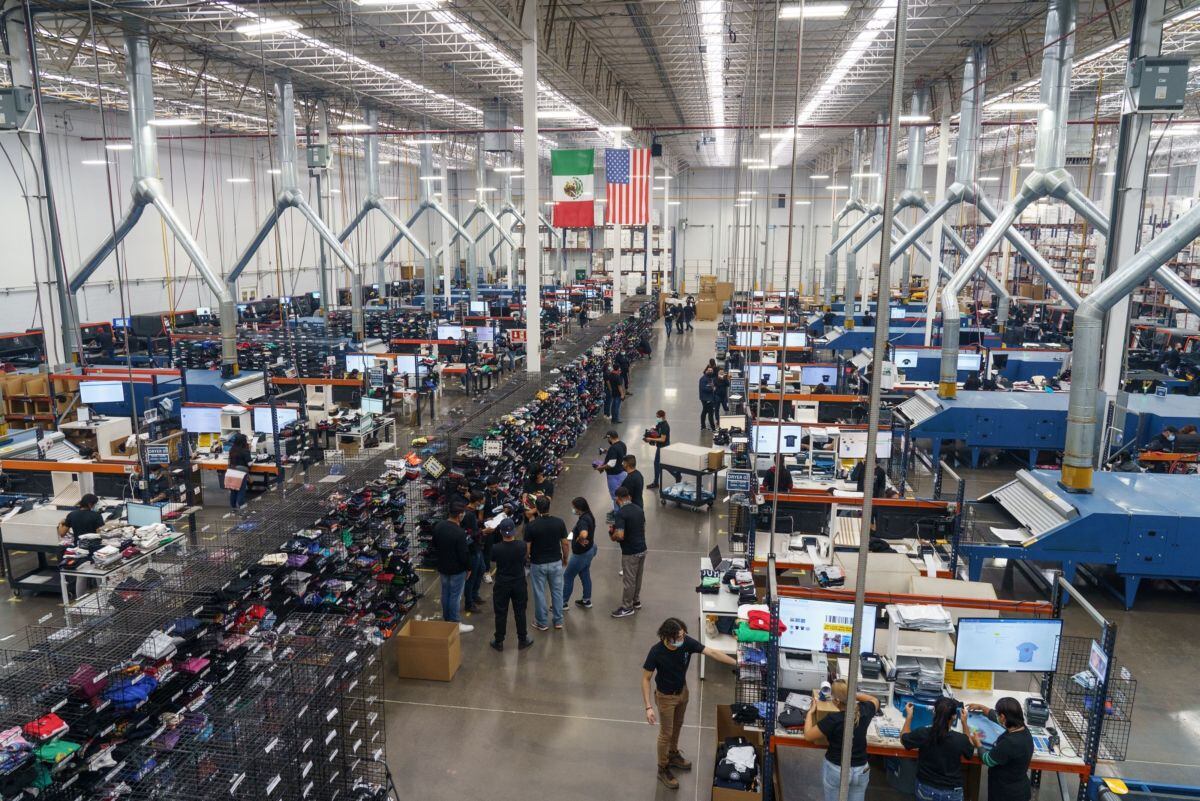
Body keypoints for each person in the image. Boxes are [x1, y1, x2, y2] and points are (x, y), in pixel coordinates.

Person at [641, 617, 737, 789]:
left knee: (677, 725)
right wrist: (648, 707)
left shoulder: (686, 642)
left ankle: (673, 754)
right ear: (667, 637)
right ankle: (662, 768)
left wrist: (737, 663)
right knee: (666, 733)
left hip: (682, 692)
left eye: (683, 635)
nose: (682, 639)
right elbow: (646, 679)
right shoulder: (656, 652)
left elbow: (712, 652)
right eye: (678, 637)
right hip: (665, 698)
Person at [803, 679, 881, 801]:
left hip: (836, 769)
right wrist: (851, 695)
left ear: (837, 701)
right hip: (861, 769)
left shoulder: (833, 719)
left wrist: (810, 713)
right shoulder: (865, 711)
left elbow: (808, 736)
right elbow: (874, 700)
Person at [901, 697, 975, 801]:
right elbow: (970, 750)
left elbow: (904, 739)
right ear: (954, 716)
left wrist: (909, 717)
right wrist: (964, 723)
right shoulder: (960, 739)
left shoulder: (924, 733)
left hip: (926, 789)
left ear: (934, 713)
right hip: (952, 791)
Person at [967, 698, 1035, 801]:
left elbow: (987, 759)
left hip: (1006, 794)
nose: (997, 716)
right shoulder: (1021, 728)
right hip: (1020, 789)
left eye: (999, 714)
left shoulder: (1009, 743)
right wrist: (981, 707)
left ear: (1003, 717)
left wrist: (977, 742)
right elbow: (994, 717)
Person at [524, 495, 569, 631]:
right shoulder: (559, 522)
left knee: (539, 593)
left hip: (538, 564)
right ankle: (558, 621)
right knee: (557, 592)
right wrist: (565, 558)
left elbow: (527, 547)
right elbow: (565, 543)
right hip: (555, 562)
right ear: (549, 507)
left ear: (536, 508)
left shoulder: (531, 526)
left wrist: (527, 559)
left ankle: (542, 622)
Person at [489, 518, 533, 651]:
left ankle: (499, 641)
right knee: (520, 611)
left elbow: (492, 559)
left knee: (500, 613)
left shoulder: (496, 548)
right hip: (518, 582)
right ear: (514, 531)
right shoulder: (522, 545)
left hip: (502, 583)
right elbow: (525, 558)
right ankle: (522, 639)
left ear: (501, 532)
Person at [432, 502, 474, 633]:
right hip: (457, 569)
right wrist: (469, 568)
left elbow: (434, 545)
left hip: (443, 567)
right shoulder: (459, 532)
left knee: (445, 593)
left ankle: (447, 619)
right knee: (455, 596)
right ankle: (455, 623)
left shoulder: (439, 526)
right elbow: (464, 554)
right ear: (459, 515)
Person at [58, 494, 105, 599]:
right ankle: (103, 598)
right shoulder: (96, 516)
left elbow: (62, 533)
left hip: (80, 550)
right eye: (95, 504)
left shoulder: (72, 515)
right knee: (99, 574)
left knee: (81, 576)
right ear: (90, 504)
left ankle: (79, 600)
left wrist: (61, 523)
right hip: (94, 549)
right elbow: (100, 534)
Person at [609, 486, 647, 619]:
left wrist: (612, 535)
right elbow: (643, 527)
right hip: (642, 548)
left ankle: (627, 607)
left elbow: (620, 535)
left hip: (630, 552)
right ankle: (636, 601)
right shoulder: (639, 509)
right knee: (638, 577)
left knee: (629, 580)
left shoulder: (621, 513)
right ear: (628, 496)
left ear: (618, 499)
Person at [562, 497, 597, 609]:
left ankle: (562, 603)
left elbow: (584, 533)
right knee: (584, 573)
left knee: (568, 576)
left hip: (581, 555)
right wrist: (572, 535)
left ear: (579, 508)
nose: (573, 509)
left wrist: (579, 538)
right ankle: (586, 600)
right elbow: (577, 529)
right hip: (590, 549)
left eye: (574, 507)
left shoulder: (583, 521)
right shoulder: (589, 515)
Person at [462, 492, 487, 614]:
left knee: (481, 570)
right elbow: (470, 533)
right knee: (471, 577)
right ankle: (469, 603)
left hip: (477, 548)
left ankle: (474, 595)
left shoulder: (471, 512)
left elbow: (474, 527)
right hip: (472, 550)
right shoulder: (469, 514)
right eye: (482, 501)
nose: (482, 504)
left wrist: (485, 521)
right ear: (477, 501)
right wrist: (483, 532)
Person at [645, 410, 676, 490]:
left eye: (658, 417)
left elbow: (662, 439)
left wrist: (651, 439)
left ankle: (676, 475)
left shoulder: (665, 426)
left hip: (663, 447)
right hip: (660, 446)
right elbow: (657, 432)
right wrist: (651, 432)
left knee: (659, 464)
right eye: (656, 417)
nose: (657, 418)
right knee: (660, 464)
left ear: (663, 417)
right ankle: (675, 475)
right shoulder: (660, 424)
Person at [595, 430, 628, 501]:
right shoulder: (622, 444)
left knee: (615, 496)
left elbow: (611, 464)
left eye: (608, 438)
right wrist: (608, 452)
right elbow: (619, 455)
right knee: (622, 494)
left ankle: (617, 508)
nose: (608, 440)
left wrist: (600, 467)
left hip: (614, 476)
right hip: (622, 473)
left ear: (610, 438)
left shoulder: (613, 448)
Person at [227, 433, 253, 510]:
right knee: (241, 490)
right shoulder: (245, 450)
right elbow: (249, 463)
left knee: (233, 490)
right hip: (241, 473)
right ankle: (242, 507)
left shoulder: (232, 449)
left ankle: (233, 507)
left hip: (231, 471)